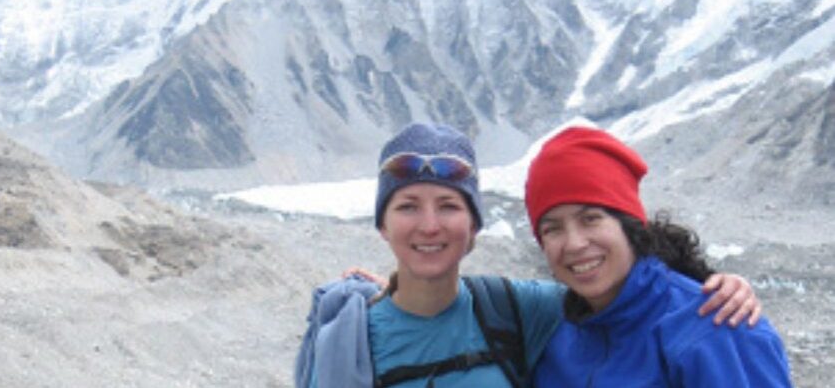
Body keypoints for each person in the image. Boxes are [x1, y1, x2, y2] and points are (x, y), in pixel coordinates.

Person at [296, 122, 761, 388]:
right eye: (407, 207)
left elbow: (641, 303)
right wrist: (393, 298)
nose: (430, 225)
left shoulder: (523, 310)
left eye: (450, 206)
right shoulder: (349, 337)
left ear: (475, 225)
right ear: (382, 224)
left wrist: (712, 287)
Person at [524, 126, 792, 387]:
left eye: (591, 219)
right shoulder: (553, 331)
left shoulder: (716, 327)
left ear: (629, 225)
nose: (574, 243)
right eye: (552, 228)